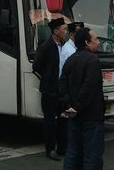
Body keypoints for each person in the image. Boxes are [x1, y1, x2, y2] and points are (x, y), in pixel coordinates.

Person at [59, 27, 104, 170]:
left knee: (73, 152)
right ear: (86, 42)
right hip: (91, 116)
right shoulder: (93, 60)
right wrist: (77, 106)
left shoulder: (70, 60)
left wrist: (69, 105)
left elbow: (62, 84)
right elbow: (89, 87)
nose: (98, 42)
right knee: (92, 155)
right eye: (96, 39)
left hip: (74, 115)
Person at [33, 17, 68, 160]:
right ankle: (50, 149)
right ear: (55, 31)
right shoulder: (46, 46)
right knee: (49, 121)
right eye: (64, 29)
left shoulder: (65, 45)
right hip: (50, 89)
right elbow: (36, 66)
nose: (65, 31)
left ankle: (62, 148)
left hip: (63, 90)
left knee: (63, 119)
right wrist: (48, 77)